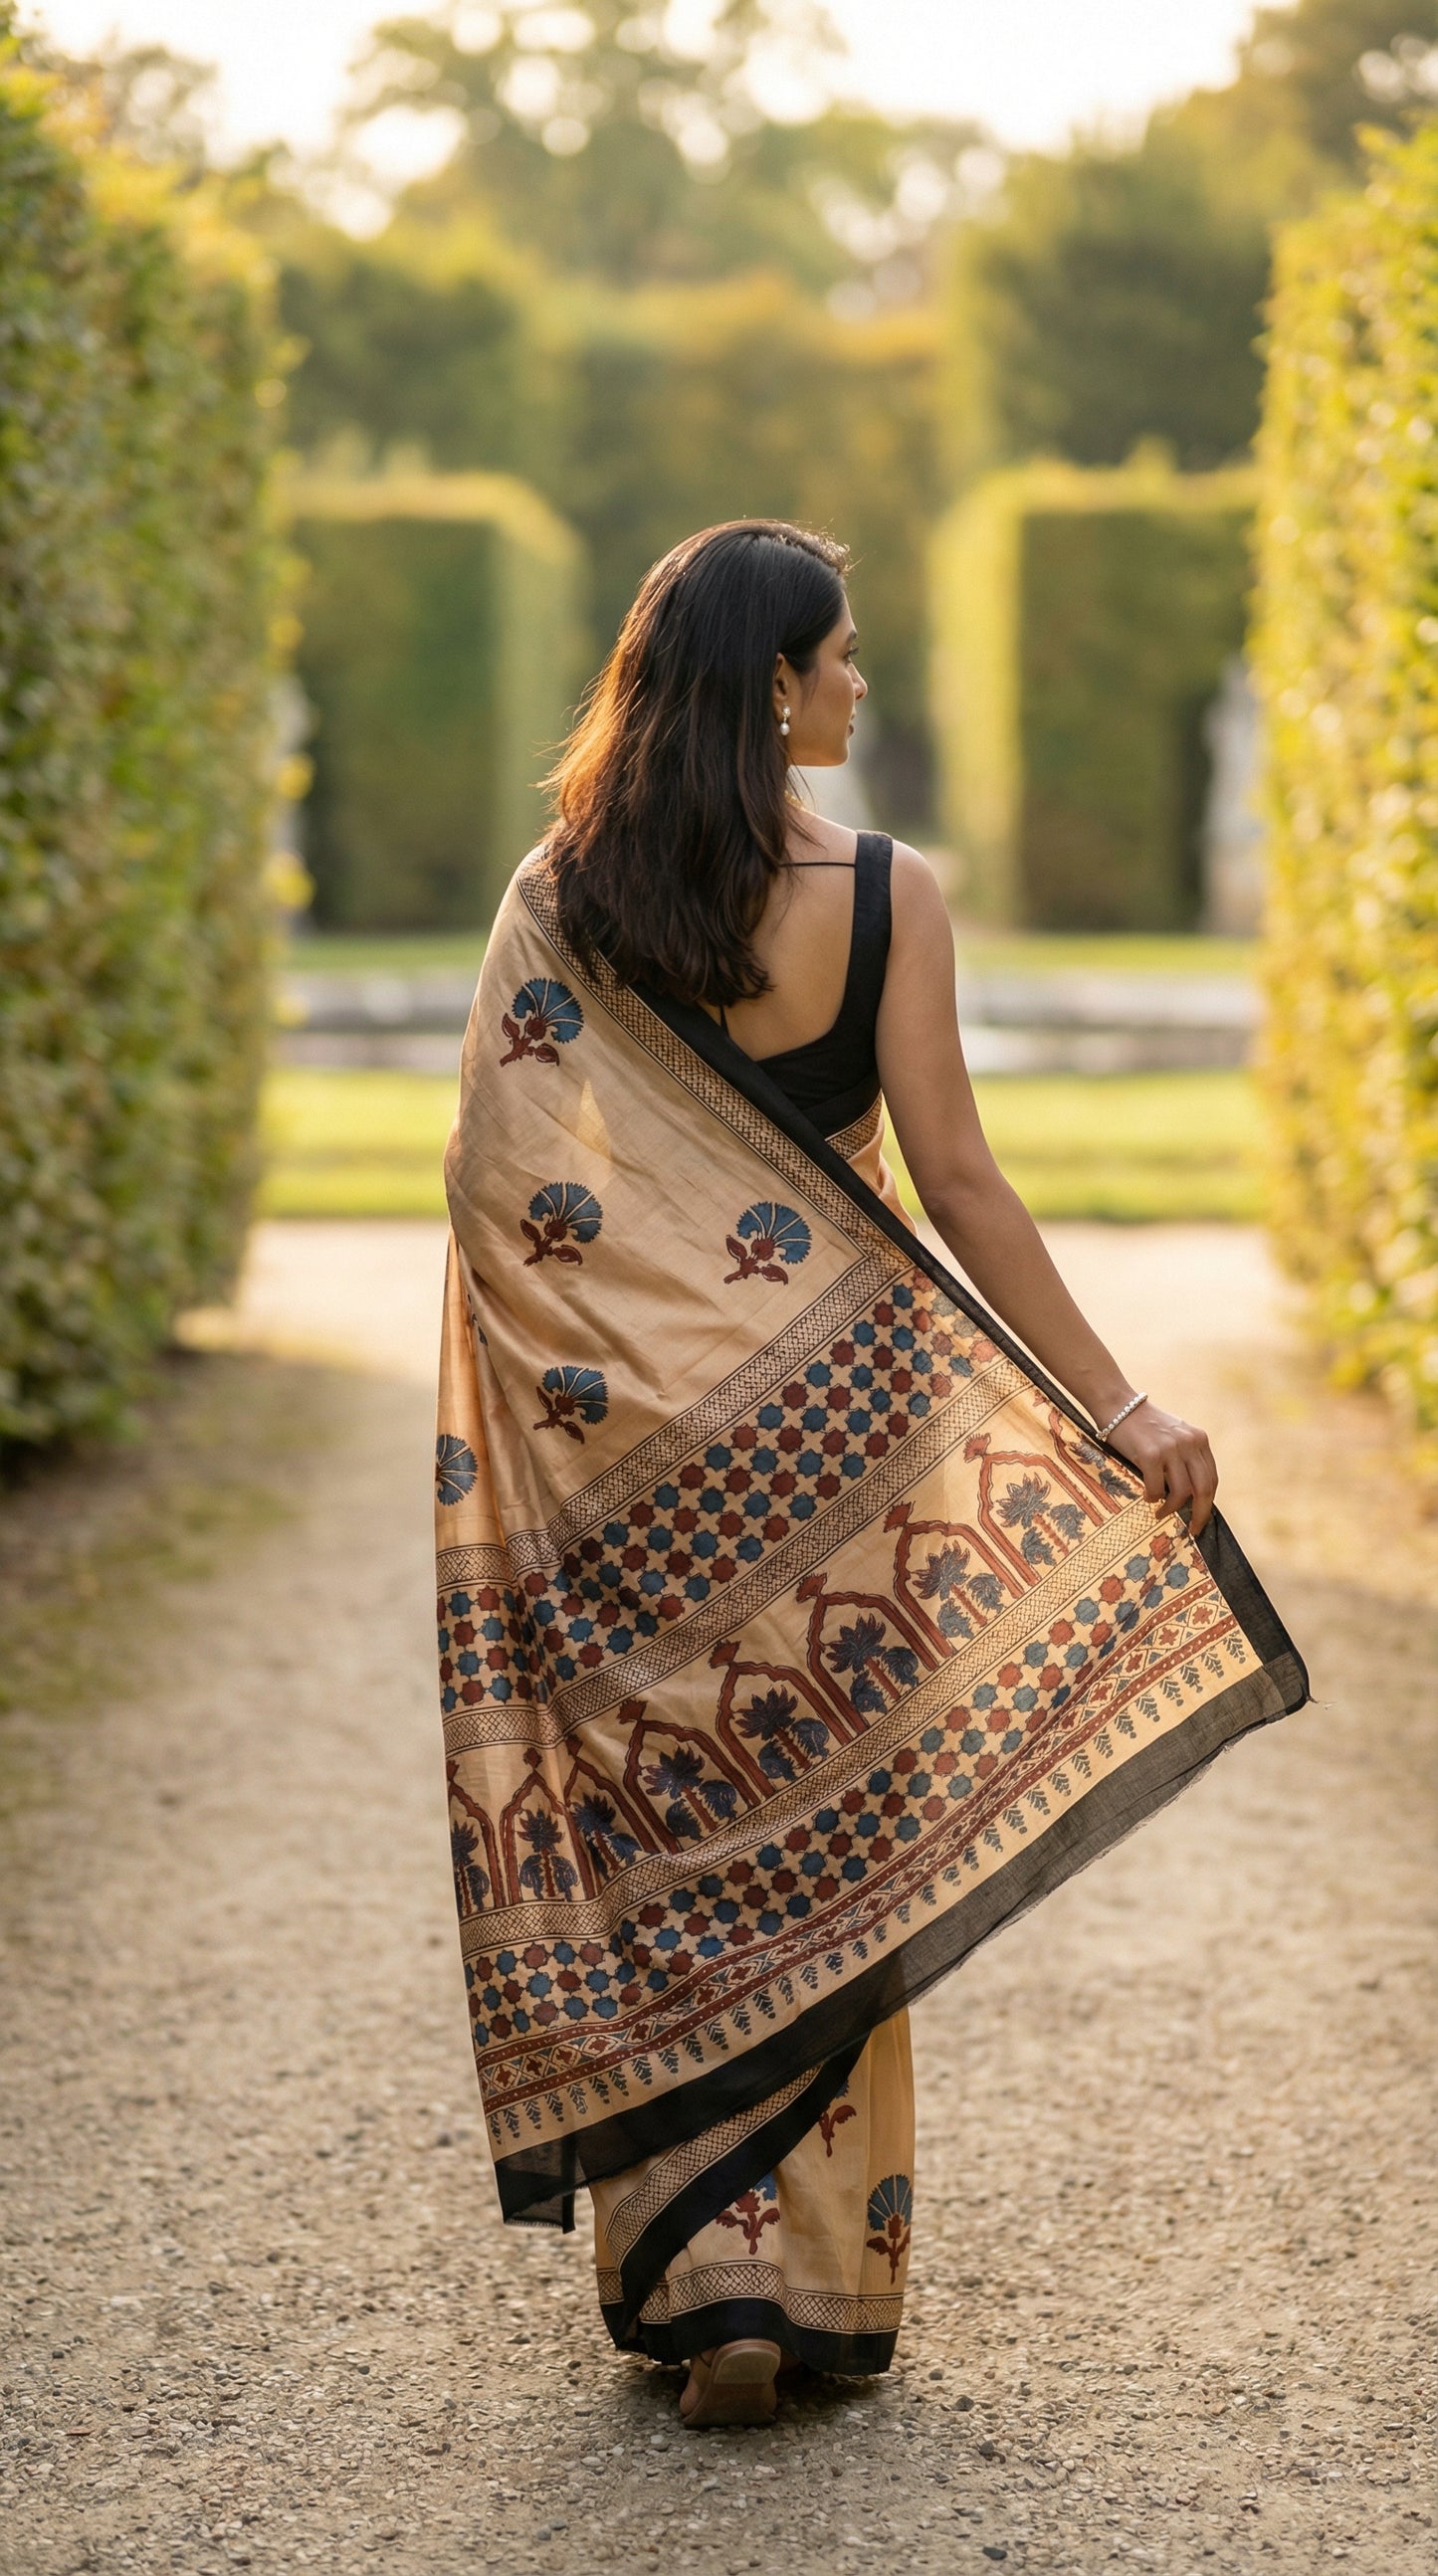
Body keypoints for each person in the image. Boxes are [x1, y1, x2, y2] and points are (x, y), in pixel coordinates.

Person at [435, 521, 1307, 2429]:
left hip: (628, 1464)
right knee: (829, 1824)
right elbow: (962, 1181)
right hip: (844, 1452)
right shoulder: (890, 894)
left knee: (667, 1818)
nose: (858, 685)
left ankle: (702, 2260)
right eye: (838, 657)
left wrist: (613, 1385)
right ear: (769, 683)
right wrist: (1116, 1403)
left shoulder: (562, 890)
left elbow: (509, 1184)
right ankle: (802, 2261)